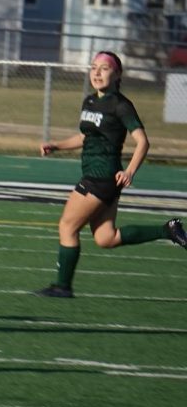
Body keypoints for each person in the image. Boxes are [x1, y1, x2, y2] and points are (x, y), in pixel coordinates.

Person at [34, 51, 187, 297]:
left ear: (117, 75)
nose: (96, 72)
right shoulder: (90, 101)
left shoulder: (120, 105)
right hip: (101, 179)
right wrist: (57, 146)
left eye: (103, 68)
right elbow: (86, 136)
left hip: (100, 177)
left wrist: (130, 171)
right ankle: (167, 230)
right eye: (93, 67)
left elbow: (142, 141)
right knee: (107, 238)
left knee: (66, 226)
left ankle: (62, 286)